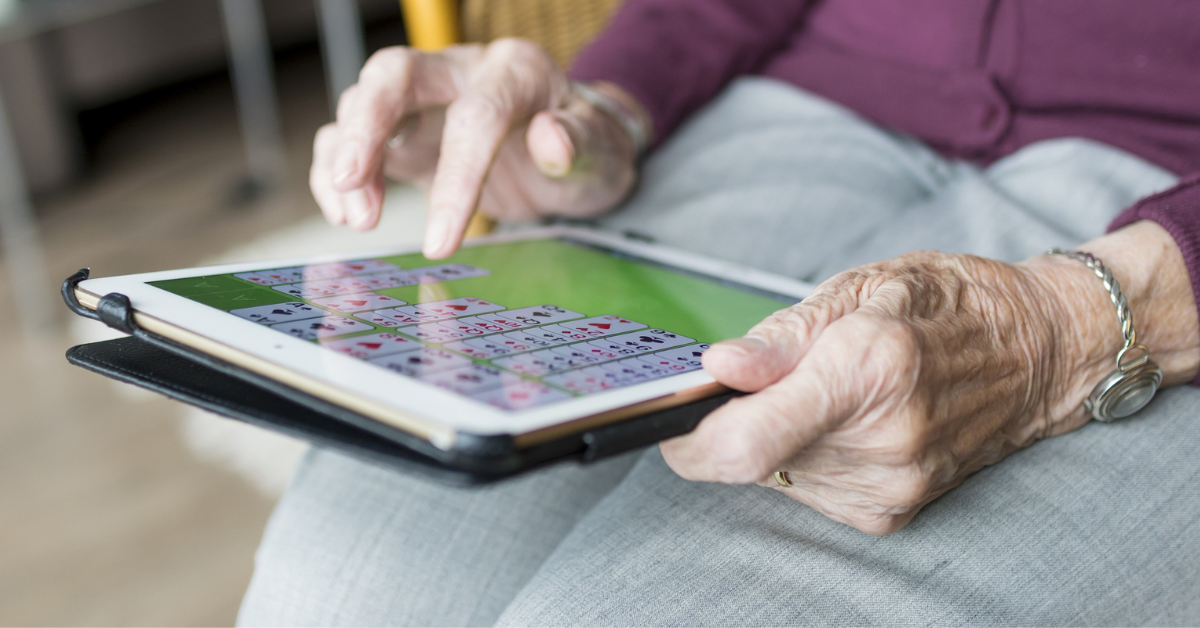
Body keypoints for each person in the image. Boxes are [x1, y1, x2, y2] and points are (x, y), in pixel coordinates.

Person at [241, 1, 1200, 624]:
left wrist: (1063, 329)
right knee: (338, 591)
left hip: (1158, 198)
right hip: (795, 103)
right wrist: (599, 122)